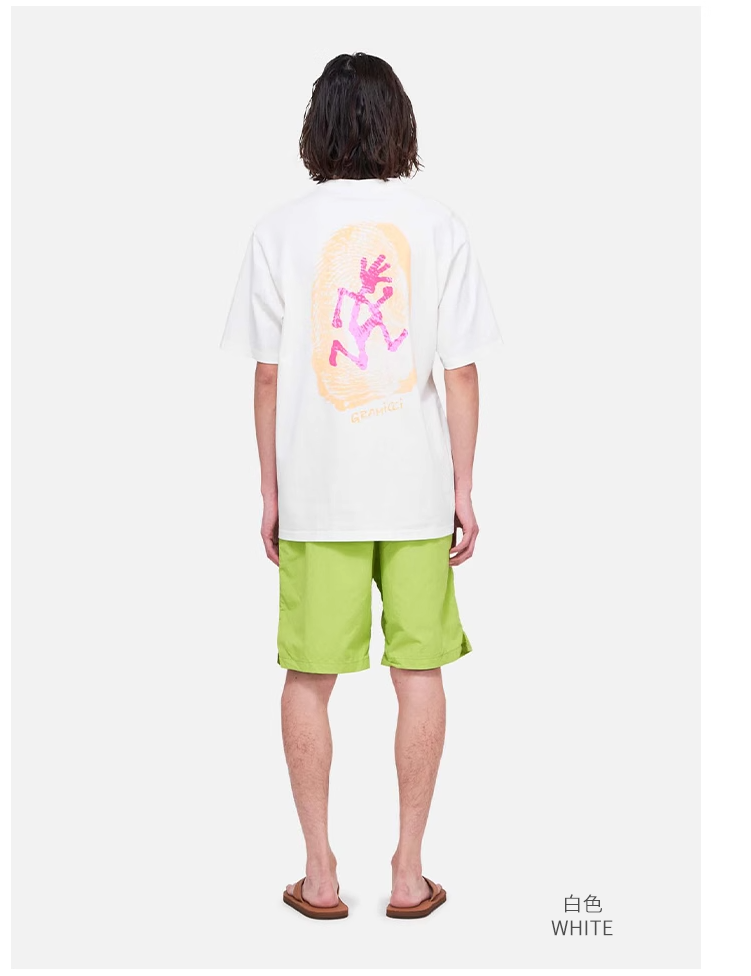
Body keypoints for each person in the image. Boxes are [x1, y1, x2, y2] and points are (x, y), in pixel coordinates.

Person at [220, 52, 503, 920]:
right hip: (416, 495)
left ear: (316, 129)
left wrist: (270, 491)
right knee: (420, 672)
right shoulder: (439, 225)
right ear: (398, 125)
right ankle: (409, 874)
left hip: (318, 493)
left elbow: (268, 376)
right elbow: (461, 372)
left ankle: (319, 875)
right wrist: (463, 487)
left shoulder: (279, 231)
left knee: (310, 676)